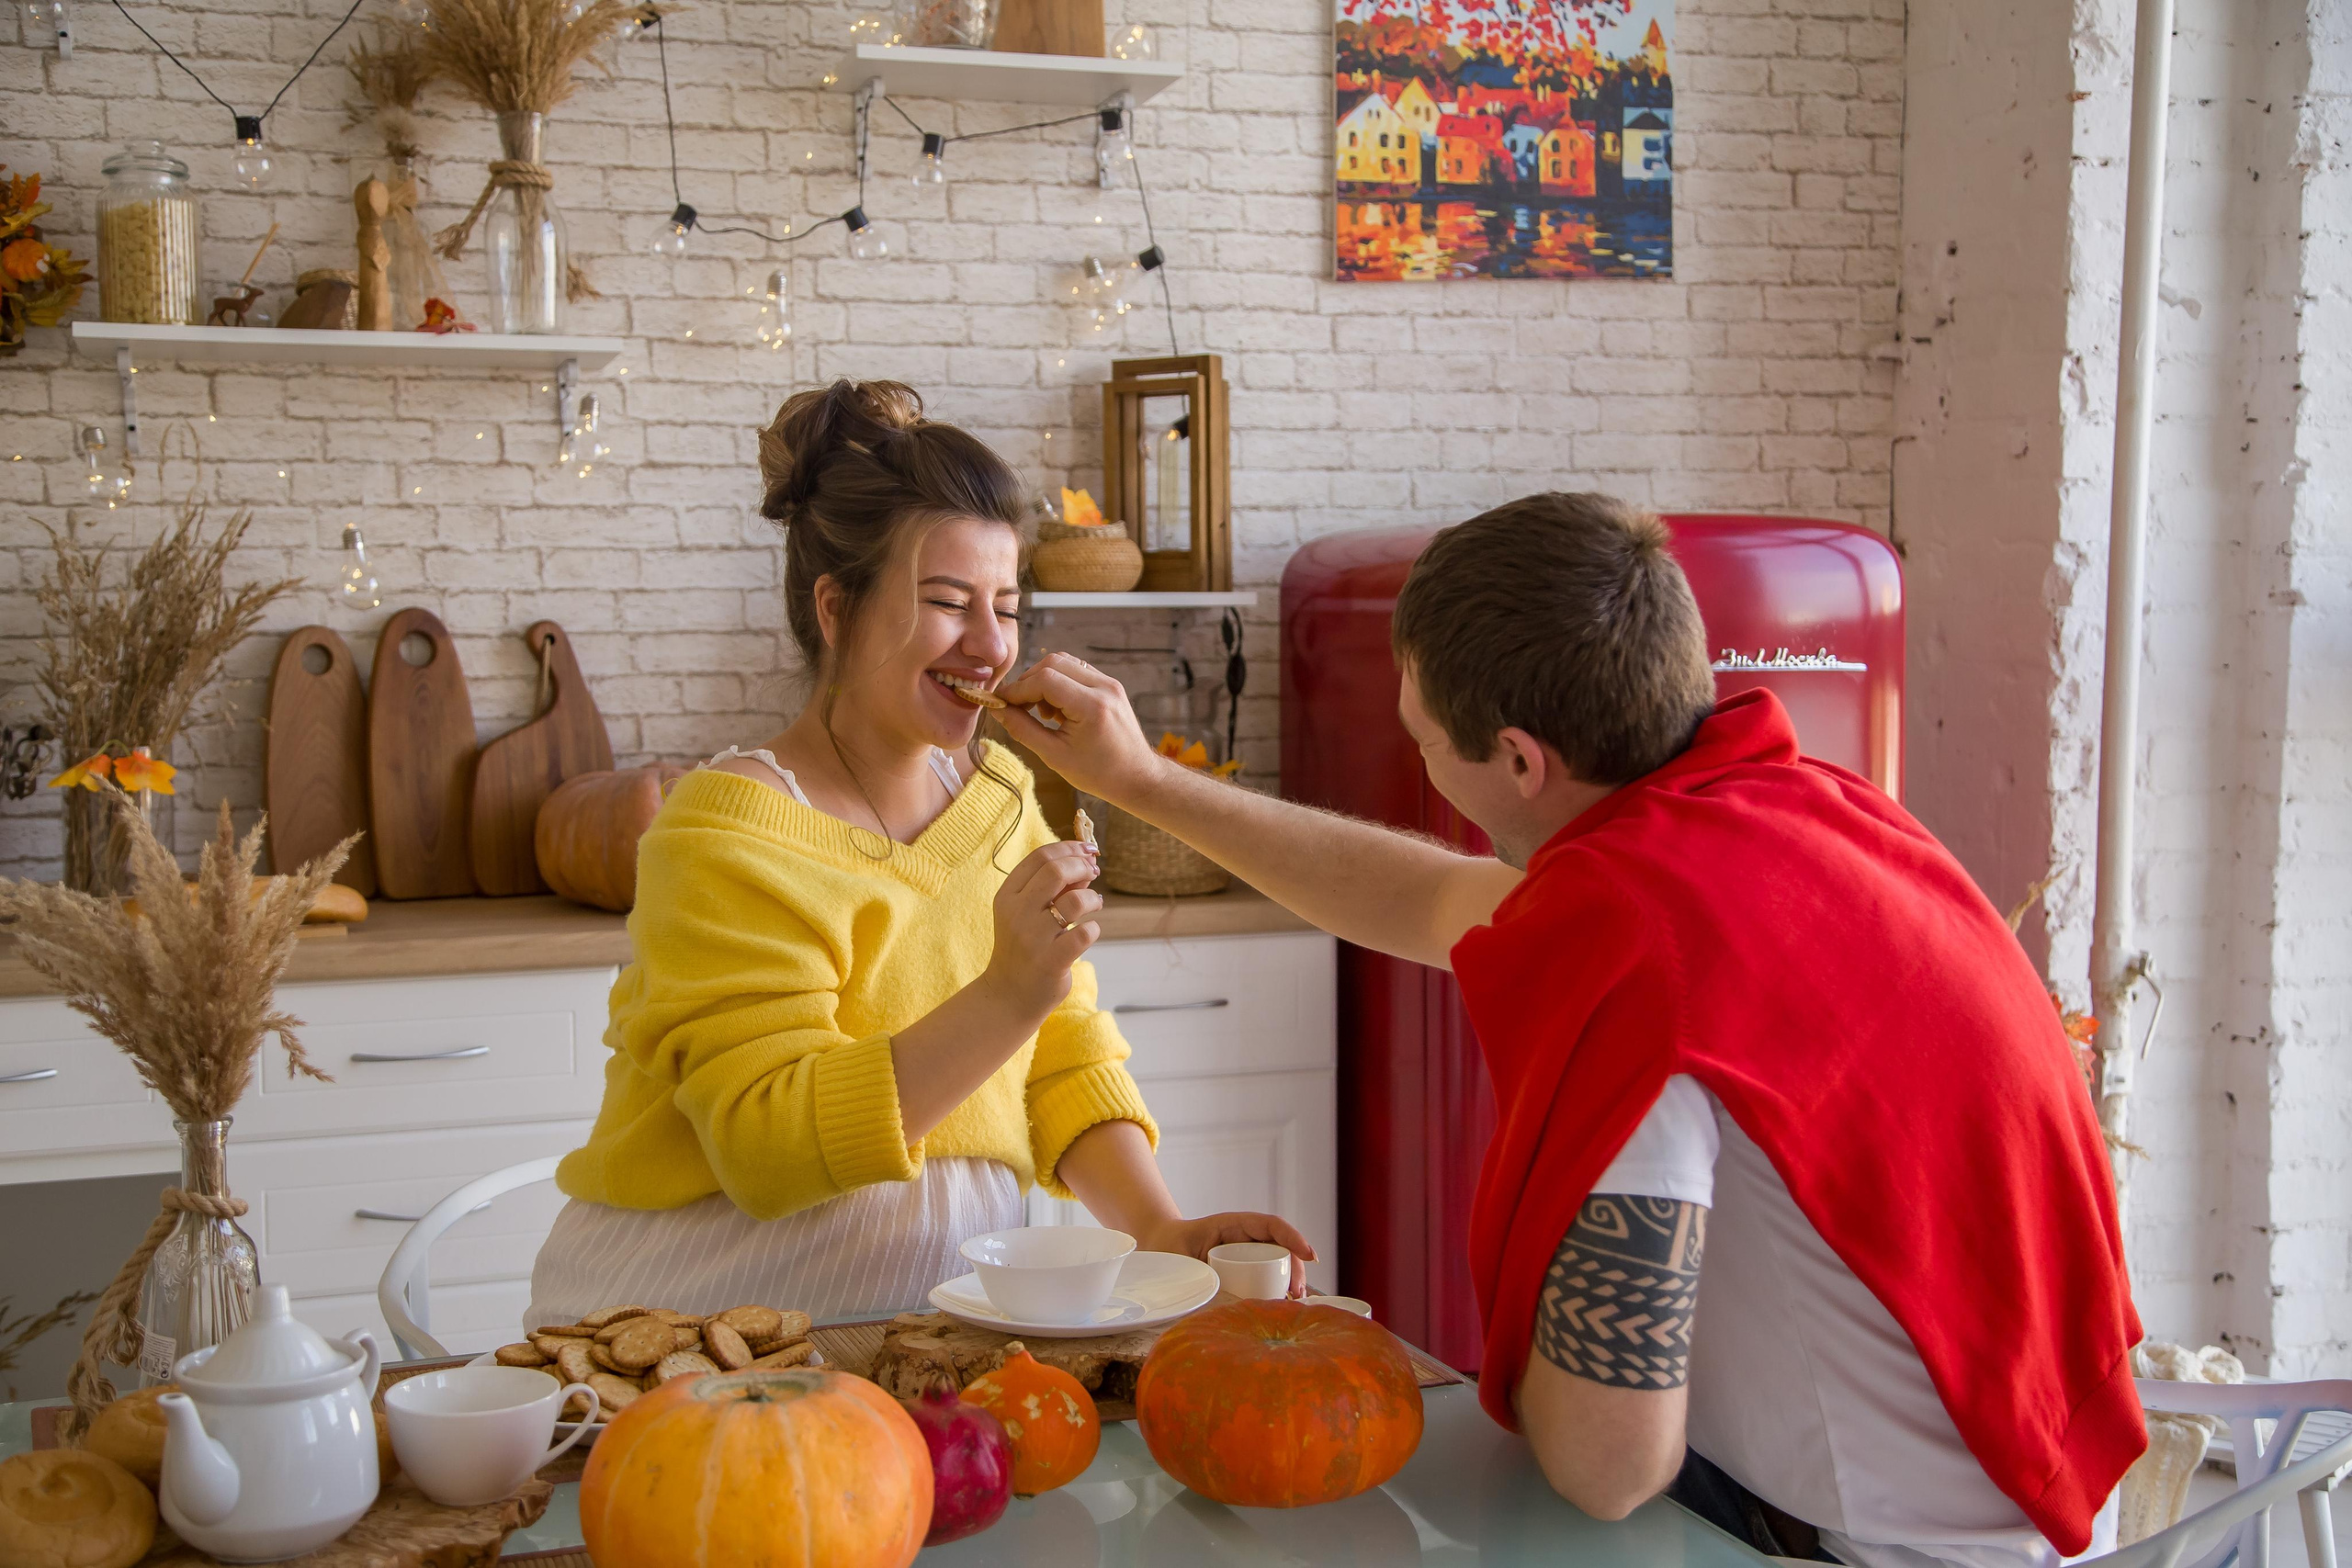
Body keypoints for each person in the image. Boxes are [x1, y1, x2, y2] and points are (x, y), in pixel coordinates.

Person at [997, 492, 2144, 1568]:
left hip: (1855, 1545)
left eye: (1424, 740)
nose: (1422, 766)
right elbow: (1431, 900)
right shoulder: (1791, 817)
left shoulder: (1633, 960)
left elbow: (1607, 1463)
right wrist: (1140, 780)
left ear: (1517, 761)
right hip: (2032, 1486)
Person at [527, 379, 1311, 1326]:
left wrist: (1156, 1225)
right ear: (835, 608)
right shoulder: (724, 833)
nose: (989, 647)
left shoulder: (1004, 799)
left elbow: (1059, 1048)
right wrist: (1006, 995)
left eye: (1008, 607)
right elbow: (768, 1148)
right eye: (948, 603)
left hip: (927, 1323)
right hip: (696, 1317)